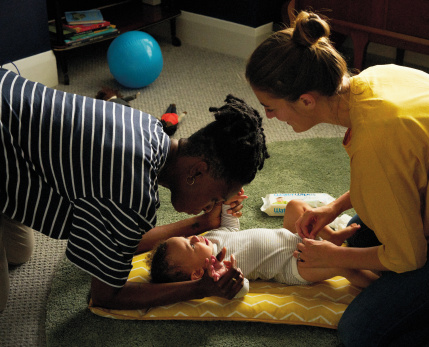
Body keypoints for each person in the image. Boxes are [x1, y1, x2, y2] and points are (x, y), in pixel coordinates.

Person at [245, 11, 429, 346]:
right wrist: (334, 208)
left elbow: (408, 257)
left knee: (361, 331)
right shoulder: (374, 79)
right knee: (362, 238)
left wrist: (335, 258)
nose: (270, 118)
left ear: (306, 100)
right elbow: (403, 169)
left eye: (270, 108)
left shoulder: (377, 140)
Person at [0, 67, 269, 311]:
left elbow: (120, 238)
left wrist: (201, 223)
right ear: (197, 171)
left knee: (19, 251)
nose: (211, 206)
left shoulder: (149, 128)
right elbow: (106, 296)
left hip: (8, 101)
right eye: (214, 199)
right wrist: (200, 288)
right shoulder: (133, 191)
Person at [148, 198, 373, 289]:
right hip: (293, 264)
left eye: (189, 238)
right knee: (343, 266)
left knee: (295, 206)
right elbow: (241, 291)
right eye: (192, 246)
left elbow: (230, 224)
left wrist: (230, 202)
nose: (196, 237)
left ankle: (331, 237)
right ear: (198, 273)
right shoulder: (221, 274)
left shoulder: (214, 237)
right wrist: (228, 276)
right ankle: (378, 284)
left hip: (291, 235)